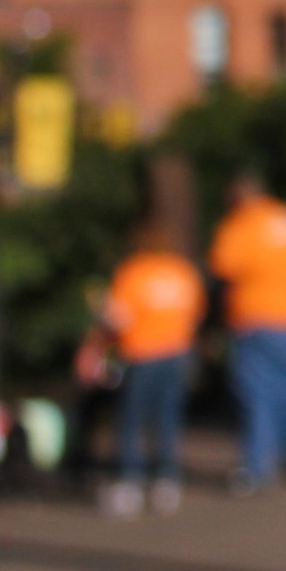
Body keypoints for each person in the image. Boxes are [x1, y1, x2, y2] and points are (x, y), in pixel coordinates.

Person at [208, 171, 286, 494]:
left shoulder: (241, 225)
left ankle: (259, 468)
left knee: (257, 395)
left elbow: (222, 271)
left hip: (254, 319)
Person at [97, 221, 204, 517]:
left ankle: (131, 482)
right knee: (168, 418)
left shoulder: (133, 272)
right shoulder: (182, 271)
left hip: (143, 353)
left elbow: (118, 318)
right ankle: (166, 482)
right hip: (178, 352)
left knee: (132, 420)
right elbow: (195, 312)